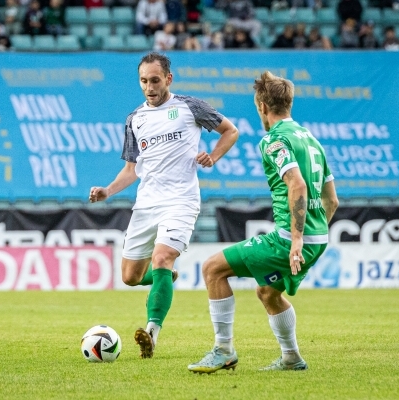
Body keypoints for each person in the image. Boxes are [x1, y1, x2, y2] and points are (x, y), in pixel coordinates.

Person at [89, 52, 239, 359]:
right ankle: (164, 279)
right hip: (146, 204)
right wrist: (108, 190)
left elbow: (230, 131)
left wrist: (213, 156)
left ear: (168, 79)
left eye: (155, 80)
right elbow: (131, 170)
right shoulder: (135, 120)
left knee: (161, 258)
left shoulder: (189, 106)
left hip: (181, 201)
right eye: (143, 81)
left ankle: (152, 332)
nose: (149, 87)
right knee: (130, 277)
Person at [187, 71, 339, 374]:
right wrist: (311, 236)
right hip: (319, 238)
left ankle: (223, 350)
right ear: (290, 103)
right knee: (267, 292)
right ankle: (291, 358)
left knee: (212, 269)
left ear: (261, 106)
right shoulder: (311, 140)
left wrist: (296, 239)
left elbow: (297, 184)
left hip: (291, 240)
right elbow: (331, 201)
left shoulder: (274, 140)